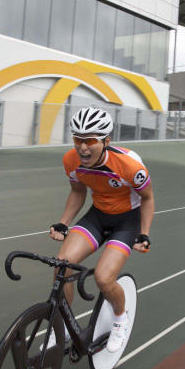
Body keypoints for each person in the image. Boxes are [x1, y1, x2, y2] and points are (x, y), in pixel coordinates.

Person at [47, 107, 154, 353]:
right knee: (62, 265)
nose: (83, 147)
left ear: (106, 141)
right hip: (97, 216)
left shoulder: (130, 166)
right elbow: (78, 191)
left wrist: (144, 233)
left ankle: (120, 319)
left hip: (126, 222)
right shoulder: (70, 161)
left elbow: (147, 198)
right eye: (78, 140)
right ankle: (63, 327)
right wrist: (64, 222)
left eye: (90, 141)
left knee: (104, 278)